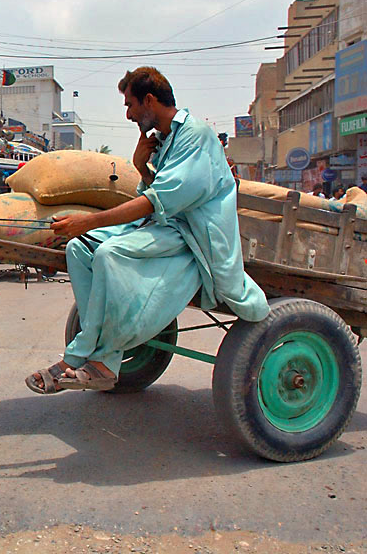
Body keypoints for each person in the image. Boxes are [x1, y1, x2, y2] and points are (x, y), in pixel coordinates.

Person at [26, 67, 269, 394]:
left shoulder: (196, 135)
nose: (128, 114)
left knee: (109, 254)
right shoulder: (167, 141)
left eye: (130, 105)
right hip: (168, 228)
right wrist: (141, 166)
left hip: (194, 238)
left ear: (150, 100)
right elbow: (160, 195)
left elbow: (159, 200)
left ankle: (93, 358)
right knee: (79, 248)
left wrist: (88, 221)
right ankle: (97, 353)